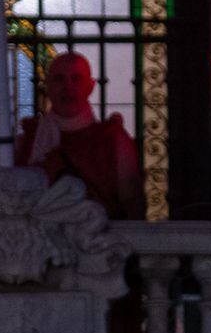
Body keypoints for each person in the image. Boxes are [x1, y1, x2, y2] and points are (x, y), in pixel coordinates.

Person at [14, 51, 144, 221]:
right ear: (48, 87)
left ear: (90, 87)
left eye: (76, 78)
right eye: (59, 79)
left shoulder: (114, 141)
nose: (68, 86)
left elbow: (132, 205)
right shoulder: (27, 140)